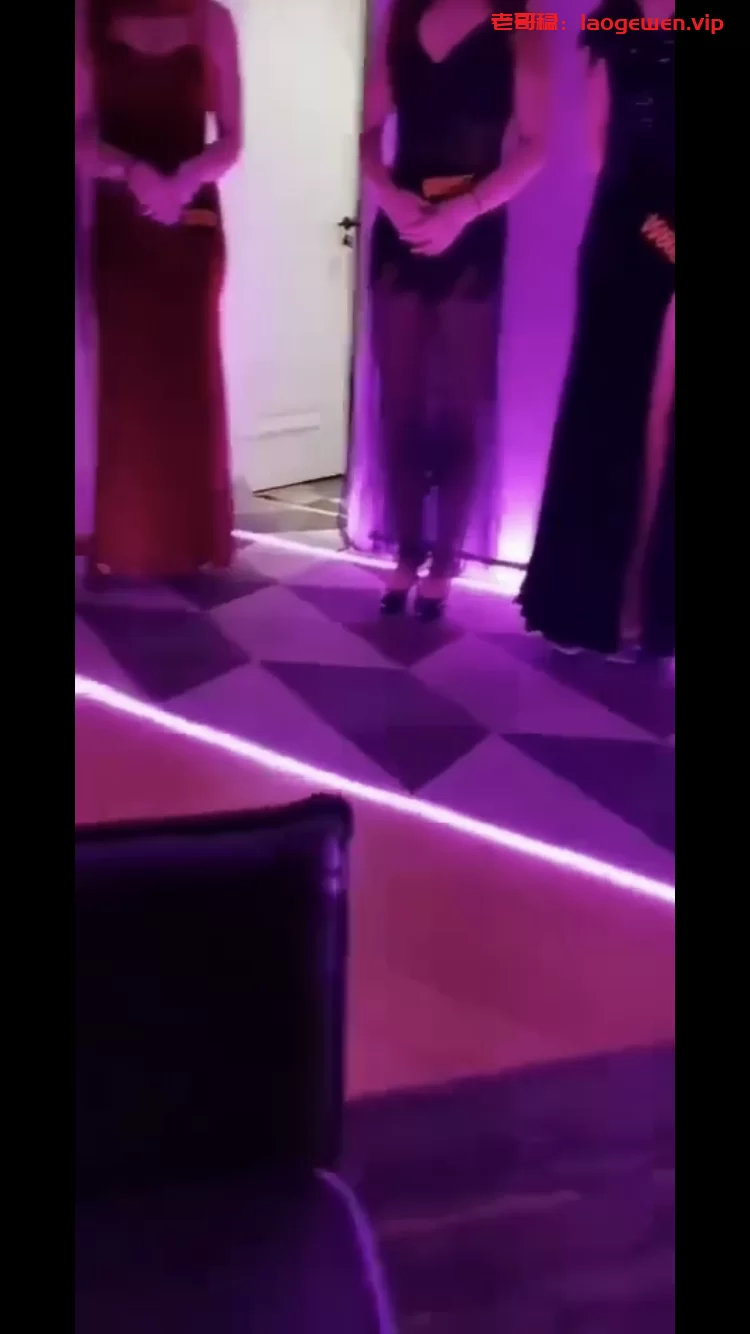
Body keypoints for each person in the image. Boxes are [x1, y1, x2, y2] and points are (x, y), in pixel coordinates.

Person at [359, 1, 548, 620]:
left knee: (463, 406)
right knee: (401, 404)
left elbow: (536, 146)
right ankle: (406, 553)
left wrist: (466, 210)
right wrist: (389, 196)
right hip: (404, 227)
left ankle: (444, 562)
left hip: (474, 228)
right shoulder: (400, 14)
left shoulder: (525, 16)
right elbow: (367, 133)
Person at [517, 0, 675, 660]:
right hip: (624, 235)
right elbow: (596, 151)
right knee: (609, 412)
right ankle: (597, 606)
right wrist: (656, 226)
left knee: (664, 419)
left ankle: (651, 607)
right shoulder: (614, 21)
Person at [75, 0, 242, 580]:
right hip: (123, 225)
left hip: (191, 223)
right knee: (127, 384)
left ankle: (192, 542)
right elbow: (79, 135)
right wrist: (131, 171)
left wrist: (187, 177)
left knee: (190, 377)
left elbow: (232, 140)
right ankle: (128, 544)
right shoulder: (88, 15)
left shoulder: (211, 18)